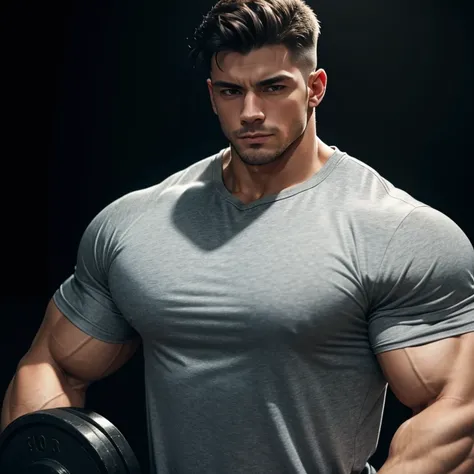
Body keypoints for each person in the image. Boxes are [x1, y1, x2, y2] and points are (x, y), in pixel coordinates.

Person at [2, 0, 474, 472]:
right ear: (212, 95)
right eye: (231, 91)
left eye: (273, 88)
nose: (250, 112)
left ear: (315, 88)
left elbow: (456, 413)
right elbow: (53, 364)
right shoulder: (133, 225)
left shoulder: (396, 231)